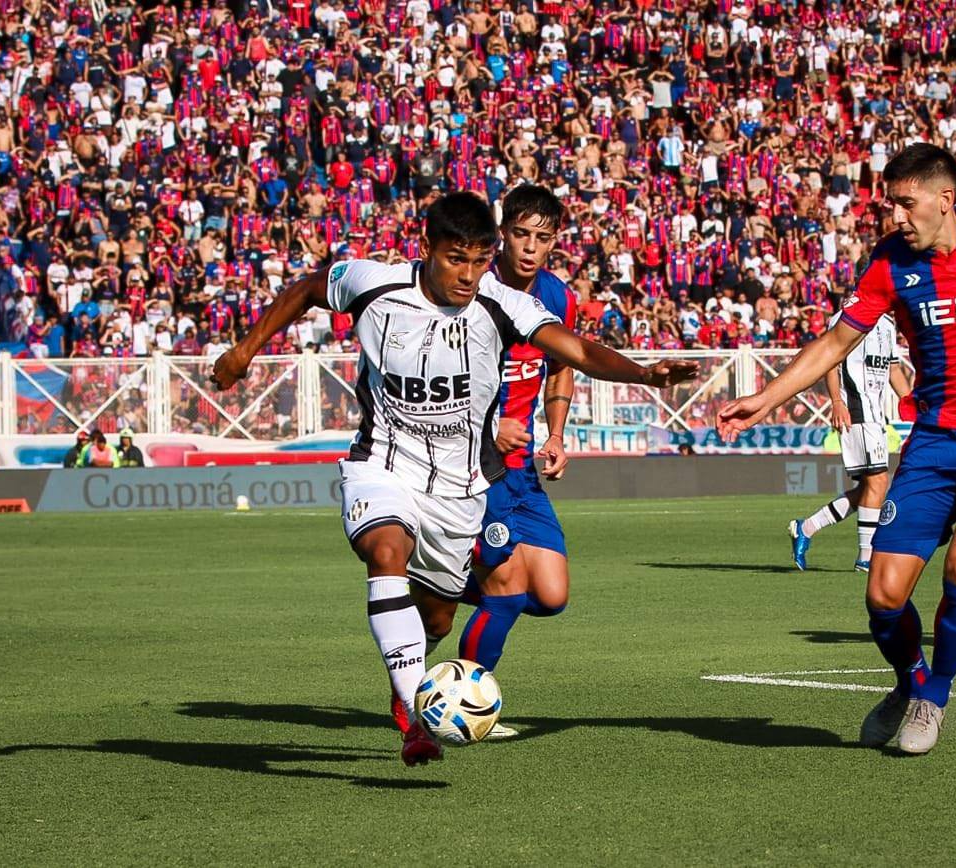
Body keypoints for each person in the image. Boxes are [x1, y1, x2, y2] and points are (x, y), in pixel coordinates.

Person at [211, 193, 696, 767]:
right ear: (426, 249)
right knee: (386, 549)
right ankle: (415, 718)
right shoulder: (374, 283)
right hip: (382, 465)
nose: (468, 275)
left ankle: (418, 667)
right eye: (455, 259)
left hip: (460, 490)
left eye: (478, 260)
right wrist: (244, 350)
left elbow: (574, 349)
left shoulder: (501, 303)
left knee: (438, 615)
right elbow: (309, 288)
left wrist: (645, 373)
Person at [717, 144, 956, 755]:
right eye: (892, 205)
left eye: (908, 204)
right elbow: (835, 342)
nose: (897, 217)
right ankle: (909, 681)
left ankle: (933, 697)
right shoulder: (888, 264)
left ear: (945, 200)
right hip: (933, 443)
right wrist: (766, 397)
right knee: (883, 595)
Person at [453, 186, 578, 739]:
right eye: (521, 234)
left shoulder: (558, 296)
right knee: (506, 588)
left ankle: (441, 579)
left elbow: (561, 368)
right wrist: (487, 422)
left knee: (550, 596)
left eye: (542, 238)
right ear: (502, 232)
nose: (529, 248)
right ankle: (461, 701)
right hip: (474, 462)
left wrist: (556, 432)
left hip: (525, 464)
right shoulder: (472, 291)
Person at [788, 302, 910, 571]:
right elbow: (829, 361)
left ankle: (806, 527)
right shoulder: (845, 319)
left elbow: (892, 369)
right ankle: (866, 558)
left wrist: (912, 403)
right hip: (854, 410)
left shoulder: (888, 325)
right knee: (877, 482)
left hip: (876, 414)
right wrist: (836, 401)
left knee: (871, 488)